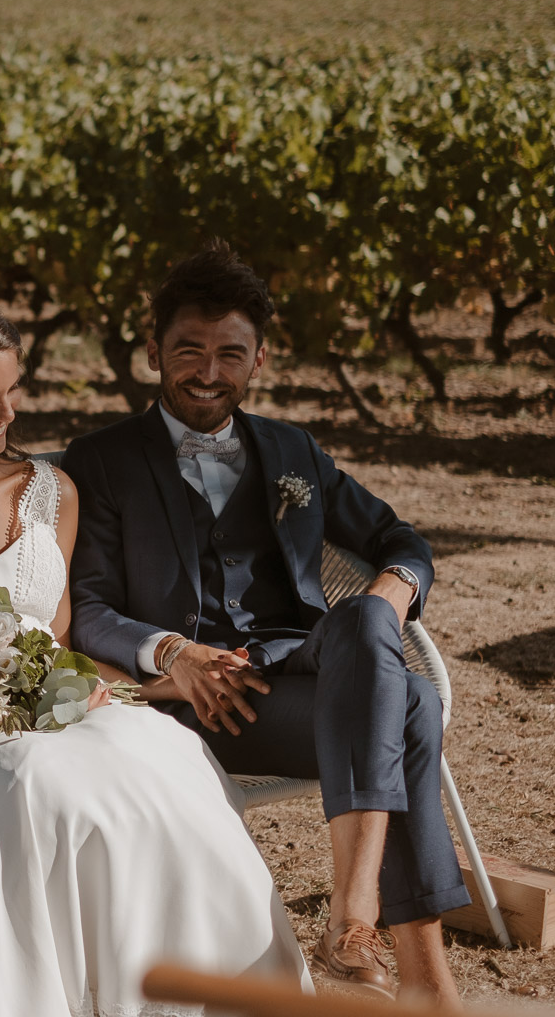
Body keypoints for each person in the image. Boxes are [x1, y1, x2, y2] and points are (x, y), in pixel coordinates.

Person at [0, 297, 308, 1017]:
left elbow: (60, 642)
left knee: (172, 761)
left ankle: (209, 997)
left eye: (13, 391)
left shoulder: (52, 492)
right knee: (35, 780)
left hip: (62, 705)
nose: (7, 414)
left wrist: (151, 684)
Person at [65, 241, 468, 1004]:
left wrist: (389, 594)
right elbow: (86, 607)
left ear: (260, 362)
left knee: (362, 621)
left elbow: (400, 542)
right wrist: (172, 654)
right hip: (195, 704)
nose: (208, 373)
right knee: (411, 705)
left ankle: (353, 916)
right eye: (188, 351)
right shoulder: (101, 460)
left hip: (306, 671)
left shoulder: (292, 451)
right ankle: (420, 978)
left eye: (229, 355)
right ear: (153, 351)